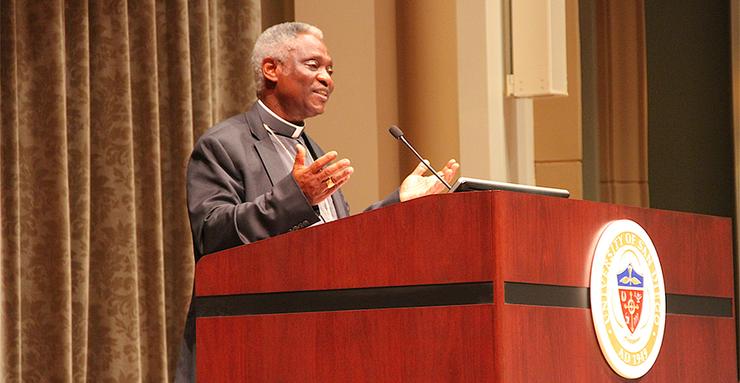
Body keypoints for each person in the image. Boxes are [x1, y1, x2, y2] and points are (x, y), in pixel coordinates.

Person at [176, 22, 459, 382]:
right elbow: (212, 234)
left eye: (330, 69)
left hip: (315, 343)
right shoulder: (223, 144)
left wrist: (400, 202)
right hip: (247, 345)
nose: (327, 78)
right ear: (271, 69)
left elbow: (336, 241)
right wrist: (297, 197)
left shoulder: (312, 151)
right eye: (314, 65)